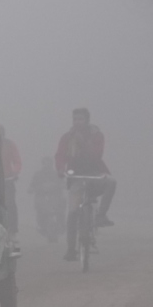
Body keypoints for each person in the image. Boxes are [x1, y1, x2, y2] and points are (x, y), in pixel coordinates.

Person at [55, 108, 117, 260]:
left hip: (95, 175)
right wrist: (60, 169)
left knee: (111, 182)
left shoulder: (97, 135)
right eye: (75, 119)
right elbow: (60, 155)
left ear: (87, 120)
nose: (77, 122)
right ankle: (71, 250)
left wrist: (83, 142)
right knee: (72, 212)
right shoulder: (67, 137)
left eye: (80, 119)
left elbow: (97, 155)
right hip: (76, 177)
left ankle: (101, 216)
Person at [28, 157, 65, 243]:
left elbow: (62, 183)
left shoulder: (56, 174)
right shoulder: (38, 175)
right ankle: (41, 225)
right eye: (45, 163)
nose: (47, 165)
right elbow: (32, 185)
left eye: (48, 163)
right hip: (42, 198)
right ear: (42, 164)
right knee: (40, 209)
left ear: (51, 164)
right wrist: (31, 189)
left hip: (55, 198)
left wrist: (62, 186)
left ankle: (62, 225)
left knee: (61, 209)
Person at [0, 127, 22, 241]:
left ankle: (13, 231)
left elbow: (17, 161)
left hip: (7, 180)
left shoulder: (9, 144)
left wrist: (14, 172)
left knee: (10, 204)